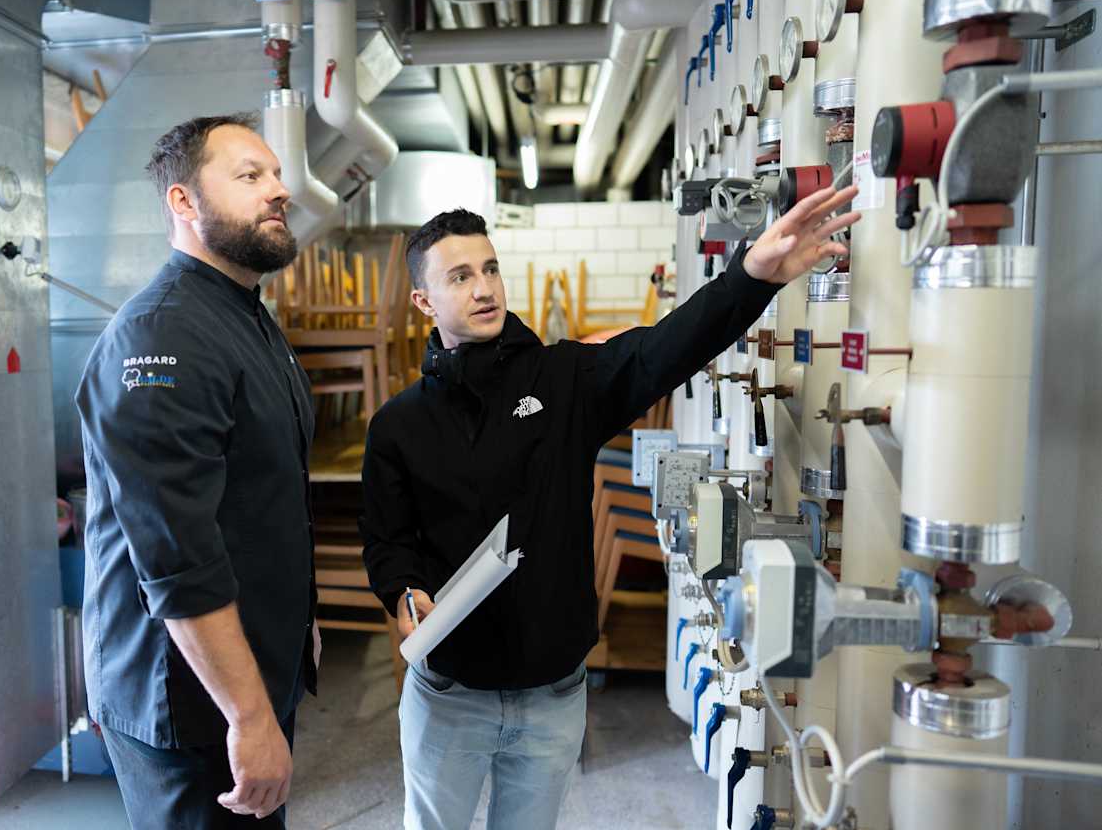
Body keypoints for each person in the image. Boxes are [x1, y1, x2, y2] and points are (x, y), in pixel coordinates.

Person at [361, 188, 861, 830]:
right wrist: (404, 595)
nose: (483, 287)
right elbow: (386, 540)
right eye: (460, 276)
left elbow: (664, 349)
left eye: (490, 269)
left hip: (552, 696)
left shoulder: (563, 380)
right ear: (425, 301)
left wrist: (750, 276)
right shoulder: (398, 426)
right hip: (449, 697)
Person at [76, 112, 320, 829]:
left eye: (276, 175)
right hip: (188, 699)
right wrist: (248, 717)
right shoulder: (164, 335)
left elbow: (261, 499)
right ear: (183, 202)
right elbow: (178, 559)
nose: (278, 191)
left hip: (240, 671)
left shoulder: (243, 315)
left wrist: (293, 624)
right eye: (250, 176)